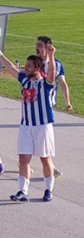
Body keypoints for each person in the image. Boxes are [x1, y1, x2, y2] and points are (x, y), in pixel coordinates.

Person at [0, 41, 57, 202]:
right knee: (23, 159)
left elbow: (51, 74)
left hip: (42, 126)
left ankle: (48, 190)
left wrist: (51, 55)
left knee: (45, 158)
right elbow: (10, 67)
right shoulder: (24, 80)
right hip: (26, 126)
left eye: (28, 66)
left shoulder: (45, 83)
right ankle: (23, 191)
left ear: (37, 68)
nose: (25, 68)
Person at [35, 35, 71, 179]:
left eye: (39, 45)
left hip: (48, 106)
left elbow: (62, 84)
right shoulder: (34, 62)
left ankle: (28, 162)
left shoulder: (56, 64)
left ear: (48, 47)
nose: (36, 47)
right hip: (34, 104)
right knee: (39, 136)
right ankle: (49, 167)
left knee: (42, 137)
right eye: (36, 45)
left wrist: (67, 101)